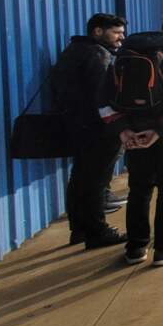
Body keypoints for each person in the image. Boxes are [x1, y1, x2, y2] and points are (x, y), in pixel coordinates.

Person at [98, 9, 163, 267]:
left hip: (134, 132)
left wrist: (123, 130)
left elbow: (103, 99)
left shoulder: (126, 51)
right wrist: (159, 132)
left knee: (139, 189)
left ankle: (135, 248)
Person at [53, 13, 128, 249]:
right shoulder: (98, 55)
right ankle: (98, 231)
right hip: (98, 129)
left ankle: (80, 230)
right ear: (97, 31)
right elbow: (103, 96)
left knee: (80, 179)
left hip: (76, 126)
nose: (121, 38)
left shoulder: (73, 51)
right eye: (116, 32)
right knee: (96, 182)